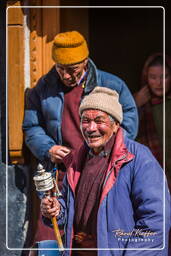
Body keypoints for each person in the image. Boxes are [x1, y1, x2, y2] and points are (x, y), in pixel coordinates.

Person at [41, 87, 171, 256]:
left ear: (116, 124)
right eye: (85, 120)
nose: (91, 128)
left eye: (99, 120)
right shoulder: (77, 160)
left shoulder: (138, 158)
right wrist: (57, 210)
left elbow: (155, 221)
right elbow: (68, 211)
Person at [23, 30, 138, 172]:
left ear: (85, 62)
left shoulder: (111, 84)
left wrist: (106, 149)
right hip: (63, 172)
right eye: (60, 68)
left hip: (102, 168)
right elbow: (32, 126)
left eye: (72, 69)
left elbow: (129, 124)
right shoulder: (44, 87)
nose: (65, 75)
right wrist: (48, 149)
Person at [134, 53, 171, 188]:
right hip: (151, 176)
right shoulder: (136, 103)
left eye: (164, 77)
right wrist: (134, 105)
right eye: (153, 77)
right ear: (146, 78)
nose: (159, 83)